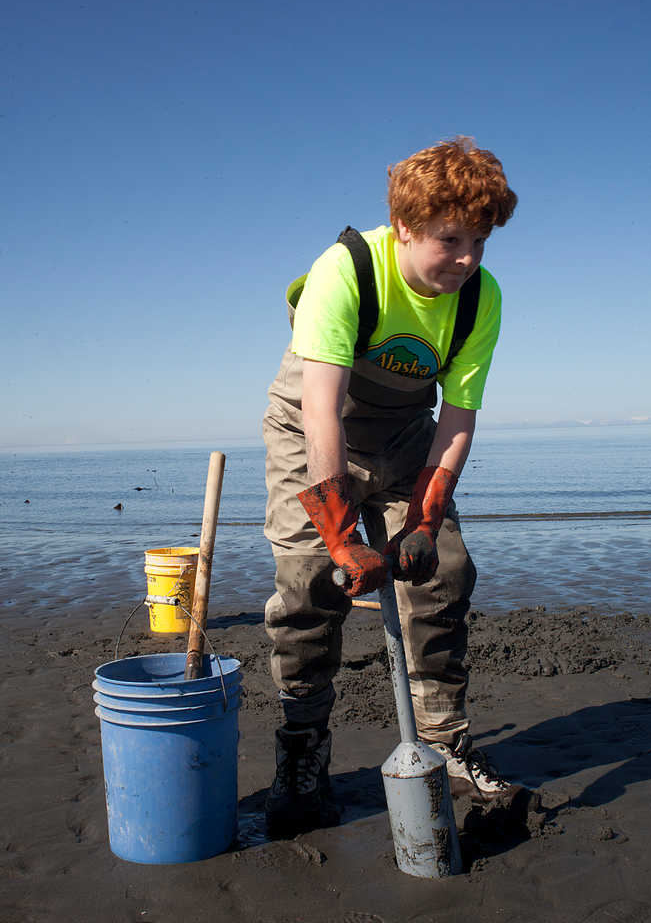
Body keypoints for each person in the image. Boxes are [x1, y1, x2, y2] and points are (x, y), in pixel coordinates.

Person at [262, 137, 519, 838]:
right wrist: (343, 537)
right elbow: (320, 409)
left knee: (444, 573)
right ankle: (303, 751)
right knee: (310, 582)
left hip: (407, 436)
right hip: (313, 432)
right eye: (449, 240)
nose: (466, 259)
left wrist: (425, 524)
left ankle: (442, 740)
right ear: (404, 226)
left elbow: (458, 416)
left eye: (479, 242)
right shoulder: (345, 269)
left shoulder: (478, 299)